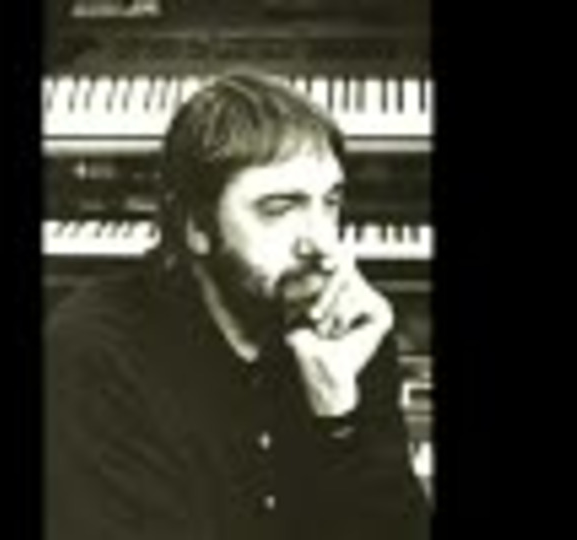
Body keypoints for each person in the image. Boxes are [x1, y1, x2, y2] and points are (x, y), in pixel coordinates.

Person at [45, 70, 431, 540]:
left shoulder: (350, 333)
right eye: (279, 209)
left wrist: (339, 418)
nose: (322, 243)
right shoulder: (94, 352)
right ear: (197, 227)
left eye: (330, 202)